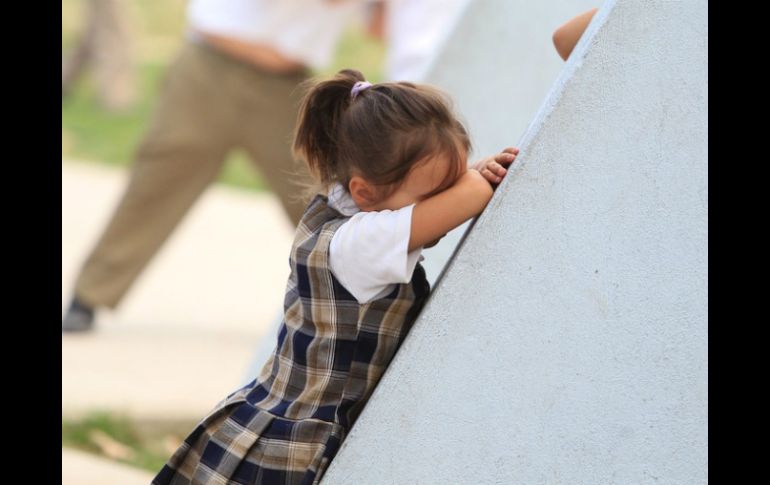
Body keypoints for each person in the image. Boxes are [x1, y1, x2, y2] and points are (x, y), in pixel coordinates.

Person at [152, 68, 519, 484]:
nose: (445, 200)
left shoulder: (347, 207)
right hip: (291, 450)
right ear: (364, 192)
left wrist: (466, 174)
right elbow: (471, 196)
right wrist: (477, 179)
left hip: (277, 423)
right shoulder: (361, 244)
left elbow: (448, 197)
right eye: (435, 192)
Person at [62, 0, 366, 332]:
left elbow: (378, 23)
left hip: (288, 81)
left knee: (326, 191)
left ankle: (361, 298)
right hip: (211, 65)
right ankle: (89, 294)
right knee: (156, 184)